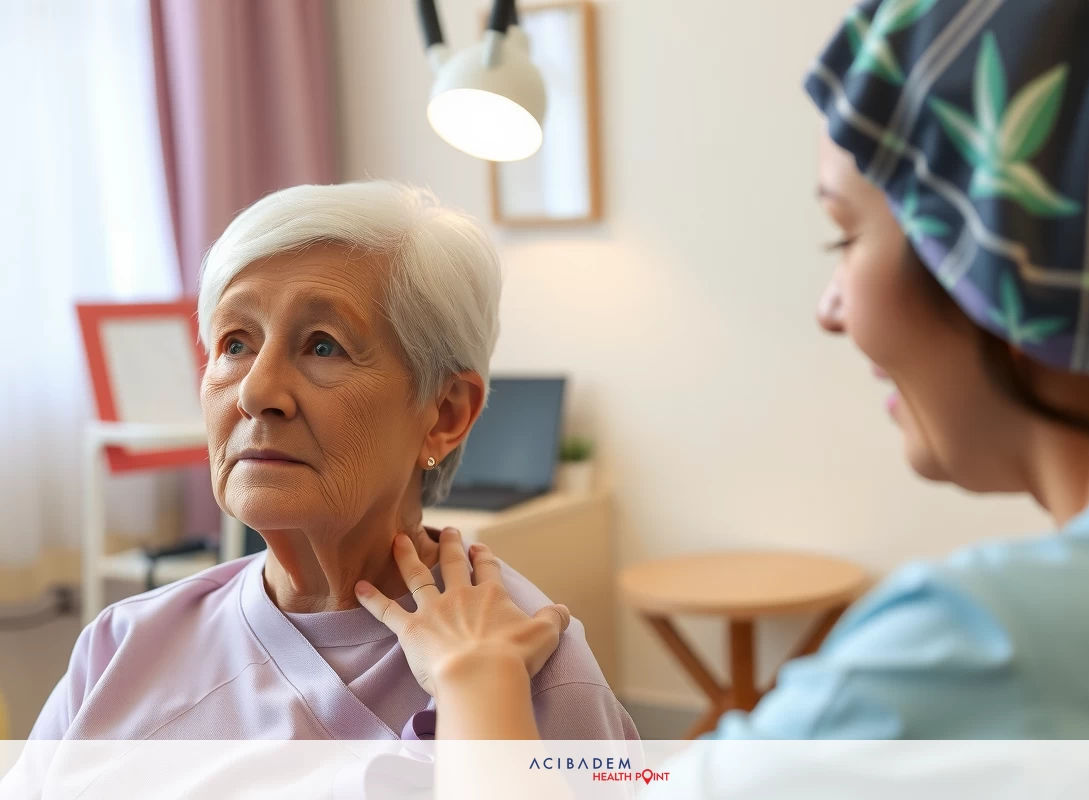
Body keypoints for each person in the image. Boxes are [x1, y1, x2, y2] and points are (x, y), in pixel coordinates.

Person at [353, 0, 1089, 764]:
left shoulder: (990, 651)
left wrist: (475, 675)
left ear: (999, 253)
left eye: (845, 237)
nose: (831, 309)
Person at [30, 182, 636, 741]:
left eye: (324, 345)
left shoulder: (532, 662)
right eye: (234, 343)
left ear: (446, 413)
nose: (254, 392)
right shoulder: (118, 646)